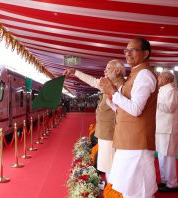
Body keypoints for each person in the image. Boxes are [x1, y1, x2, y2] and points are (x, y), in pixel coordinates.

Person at [100, 38, 158, 197]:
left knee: (137, 189)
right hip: (128, 140)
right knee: (127, 187)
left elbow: (136, 109)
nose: (127, 53)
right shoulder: (135, 74)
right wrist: (110, 95)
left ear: (145, 53)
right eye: (126, 50)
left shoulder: (144, 75)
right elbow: (122, 109)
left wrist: (113, 93)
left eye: (132, 50)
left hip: (136, 141)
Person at [63, 59, 126, 181]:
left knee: (111, 163)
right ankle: (111, 187)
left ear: (118, 71)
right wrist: (75, 71)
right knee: (107, 163)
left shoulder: (122, 86)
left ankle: (114, 189)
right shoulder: (109, 83)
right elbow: (92, 81)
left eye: (108, 68)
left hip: (111, 131)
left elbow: (122, 109)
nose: (104, 71)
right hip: (105, 130)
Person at [156, 70, 178, 192]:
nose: (158, 79)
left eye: (160, 77)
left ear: (168, 80)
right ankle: (164, 180)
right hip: (160, 128)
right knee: (161, 156)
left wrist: (156, 102)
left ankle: (172, 183)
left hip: (168, 129)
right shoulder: (162, 90)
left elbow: (170, 107)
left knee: (169, 157)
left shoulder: (172, 91)